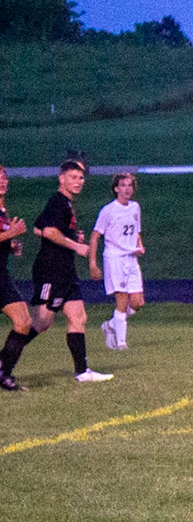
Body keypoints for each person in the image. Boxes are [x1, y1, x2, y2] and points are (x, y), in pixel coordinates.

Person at [29, 159, 111, 383]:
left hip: (65, 269)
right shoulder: (57, 201)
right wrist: (75, 245)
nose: (78, 181)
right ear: (61, 178)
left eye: (81, 178)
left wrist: (71, 236)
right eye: (73, 177)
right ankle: (5, 359)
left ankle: (82, 371)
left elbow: (38, 227)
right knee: (41, 322)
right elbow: (47, 231)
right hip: (51, 269)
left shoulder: (66, 204)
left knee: (78, 316)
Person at [89, 172, 145, 351]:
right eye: (123, 185)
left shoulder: (135, 207)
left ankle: (111, 324)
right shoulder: (108, 210)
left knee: (137, 303)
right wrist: (93, 263)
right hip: (114, 259)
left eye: (129, 185)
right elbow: (95, 236)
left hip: (131, 258)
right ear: (116, 189)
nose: (127, 189)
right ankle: (121, 343)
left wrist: (139, 245)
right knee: (121, 300)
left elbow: (136, 231)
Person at [0, 165, 33, 392]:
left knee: (23, 322)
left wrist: (11, 246)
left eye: (4, 178)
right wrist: (11, 234)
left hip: (2, 276)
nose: (2, 181)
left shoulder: (3, 211)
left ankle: (4, 372)